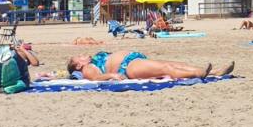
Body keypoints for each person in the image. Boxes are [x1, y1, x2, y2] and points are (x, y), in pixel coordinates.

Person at [67, 50, 234, 80]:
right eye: (79, 57)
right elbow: (96, 77)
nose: (83, 56)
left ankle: (215, 72)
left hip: (133, 60)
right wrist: (112, 75)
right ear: (78, 66)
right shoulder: (88, 69)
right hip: (128, 66)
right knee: (166, 68)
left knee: (173, 63)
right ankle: (199, 73)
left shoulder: (91, 61)